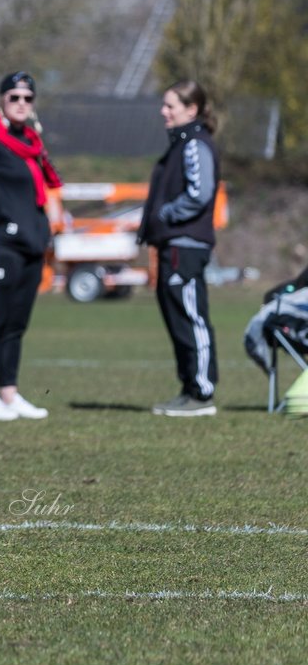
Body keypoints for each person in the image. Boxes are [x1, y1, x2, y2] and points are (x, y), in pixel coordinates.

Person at [0, 72, 62, 421]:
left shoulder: (32, 142)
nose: (21, 103)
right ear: (1, 100)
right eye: (14, 97)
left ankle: (10, 393)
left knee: (16, 323)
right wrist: (7, 220)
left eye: (27, 98)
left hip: (30, 246)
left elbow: (44, 188)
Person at [138, 79, 221, 417]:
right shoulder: (179, 144)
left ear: (192, 109)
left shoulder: (194, 144)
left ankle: (201, 392)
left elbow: (200, 193)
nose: (164, 111)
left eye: (170, 105)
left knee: (191, 317)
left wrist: (166, 213)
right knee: (177, 320)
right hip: (172, 245)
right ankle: (188, 388)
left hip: (185, 247)